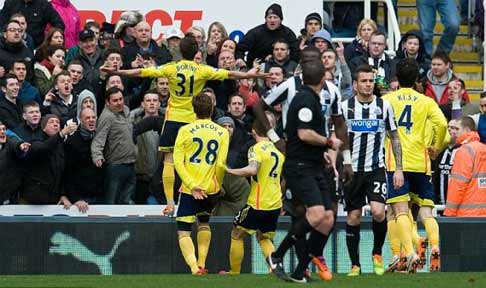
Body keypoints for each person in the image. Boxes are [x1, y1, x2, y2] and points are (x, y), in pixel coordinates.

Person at [104, 34, 266, 216]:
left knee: (169, 161)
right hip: (193, 122)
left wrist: (117, 72)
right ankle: (204, 189)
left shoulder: (171, 68)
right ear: (196, 51)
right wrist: (248, 74)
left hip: (173, 119)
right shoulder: (201, 69)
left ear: (180, 51)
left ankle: (170, 202)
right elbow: (228, 74)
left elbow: (142, 72)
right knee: (195, 160)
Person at [267, 60, 342, 283]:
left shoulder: (312, 98)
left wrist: (322, 153)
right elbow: (304, 134)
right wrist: (329, 142)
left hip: (315, 164)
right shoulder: (306, 100)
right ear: (321, 79)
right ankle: (276, 255)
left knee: (328, 218)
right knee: (317, 214)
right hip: (300, 166)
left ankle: (300, 271)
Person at [383, 59, 448, 272]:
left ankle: (406, 252)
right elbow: (442, 125)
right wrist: (435, 147)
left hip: (396, 163)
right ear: (417, 79)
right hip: (422, 163)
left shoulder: (387, 100)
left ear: (397, 78)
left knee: (397, 211)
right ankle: (435, 246)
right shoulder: (426, 101)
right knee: (426, 212)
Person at [341, 64, 404, 276]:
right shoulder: (344, 107)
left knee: (378, 212)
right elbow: (337, 139)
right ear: (355, 84)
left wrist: (399, 169)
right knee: (354, 217)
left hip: (376, 169)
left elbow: (394, 137)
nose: (368, 85)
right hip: (351, 171)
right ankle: (355, 265)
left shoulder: (384, 106)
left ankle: (377, 253)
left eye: (371, 81)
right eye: (364, 81)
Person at [173, 93, 229, 275]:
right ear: (212, 109)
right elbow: (220, 164)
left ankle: (194, 268)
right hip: (210, 189)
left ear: (193, 109)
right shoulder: (222, 132)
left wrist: (190, 184)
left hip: (190, 189)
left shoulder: (185, 130)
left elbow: (177, 162)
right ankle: (202, 264)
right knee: (204, 223)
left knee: (183, 230)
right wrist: (218, 184)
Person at [224, 118, 284, 275]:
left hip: (258, 203)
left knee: (236, 234)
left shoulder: (256, 148)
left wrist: (230, 171)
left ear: (254, 132)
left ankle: (234, 273)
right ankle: (274, 269)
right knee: (264, 237)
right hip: (275, 203)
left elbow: (252, 170)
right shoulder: (278, 149)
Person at [91, 87, 137, 204]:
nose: (119, 103)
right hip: (116, 166)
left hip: (131, 163)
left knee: (127, 201)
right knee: (111, 202)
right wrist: (97, 155)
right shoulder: (107, 117)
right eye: (115, 100)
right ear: (107, 102)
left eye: (121, 99)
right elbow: (98, 138)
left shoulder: (126, 110)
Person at [20, 114, 77, 205]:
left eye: (57, 122)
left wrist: (63, 194)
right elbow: (43, 149)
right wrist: (61, 134)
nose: (55, 124)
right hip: (34, 200)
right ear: (43, 128)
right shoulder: (35, 142)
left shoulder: (62, 147)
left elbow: (64, 174)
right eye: (51, 122)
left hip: (54, 199)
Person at [444, 116, 486, 217]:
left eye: (457, 129)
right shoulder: (483, 148)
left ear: (467, 130)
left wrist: (449, 213)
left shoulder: (464, 151)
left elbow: (458, 185)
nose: (455, 132)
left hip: (466, 214)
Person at [64, 107, 104, 212]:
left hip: (101, 195)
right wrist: (75, 199)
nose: (91, 120)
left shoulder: (101, 139)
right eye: (87, 118)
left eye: (93, 117)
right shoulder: (72, 143)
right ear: (81, 120)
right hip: (81, 199)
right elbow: (67, 173)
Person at [129, 90, 163, 204]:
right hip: (141, 177)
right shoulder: (134, 124)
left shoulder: (167, 125)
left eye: (155, 100)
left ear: (159, 104)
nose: (152, 103)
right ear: (142, 104)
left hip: (162, 178)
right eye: (148, 101)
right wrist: (135, 113)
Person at [0, 0, 65, 48]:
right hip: (10, 47)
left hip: (36, 48)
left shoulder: (44, 5)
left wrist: (48, 42)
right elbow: (1, 25)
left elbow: (59, 24)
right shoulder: (10, 3)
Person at [0, 120, 30, 204]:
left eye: (4, 129)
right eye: (0, 130)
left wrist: (21, 146)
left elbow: (16, 144)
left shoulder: (10, 141)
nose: (2, 132)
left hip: (8, 194)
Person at [433, 119, 460, 206]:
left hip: (457, 205)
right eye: (448, 127)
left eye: (453, 128)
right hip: (440, 203)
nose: (449, 129)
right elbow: (435, 177)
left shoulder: (463, 151)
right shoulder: (441, 151)